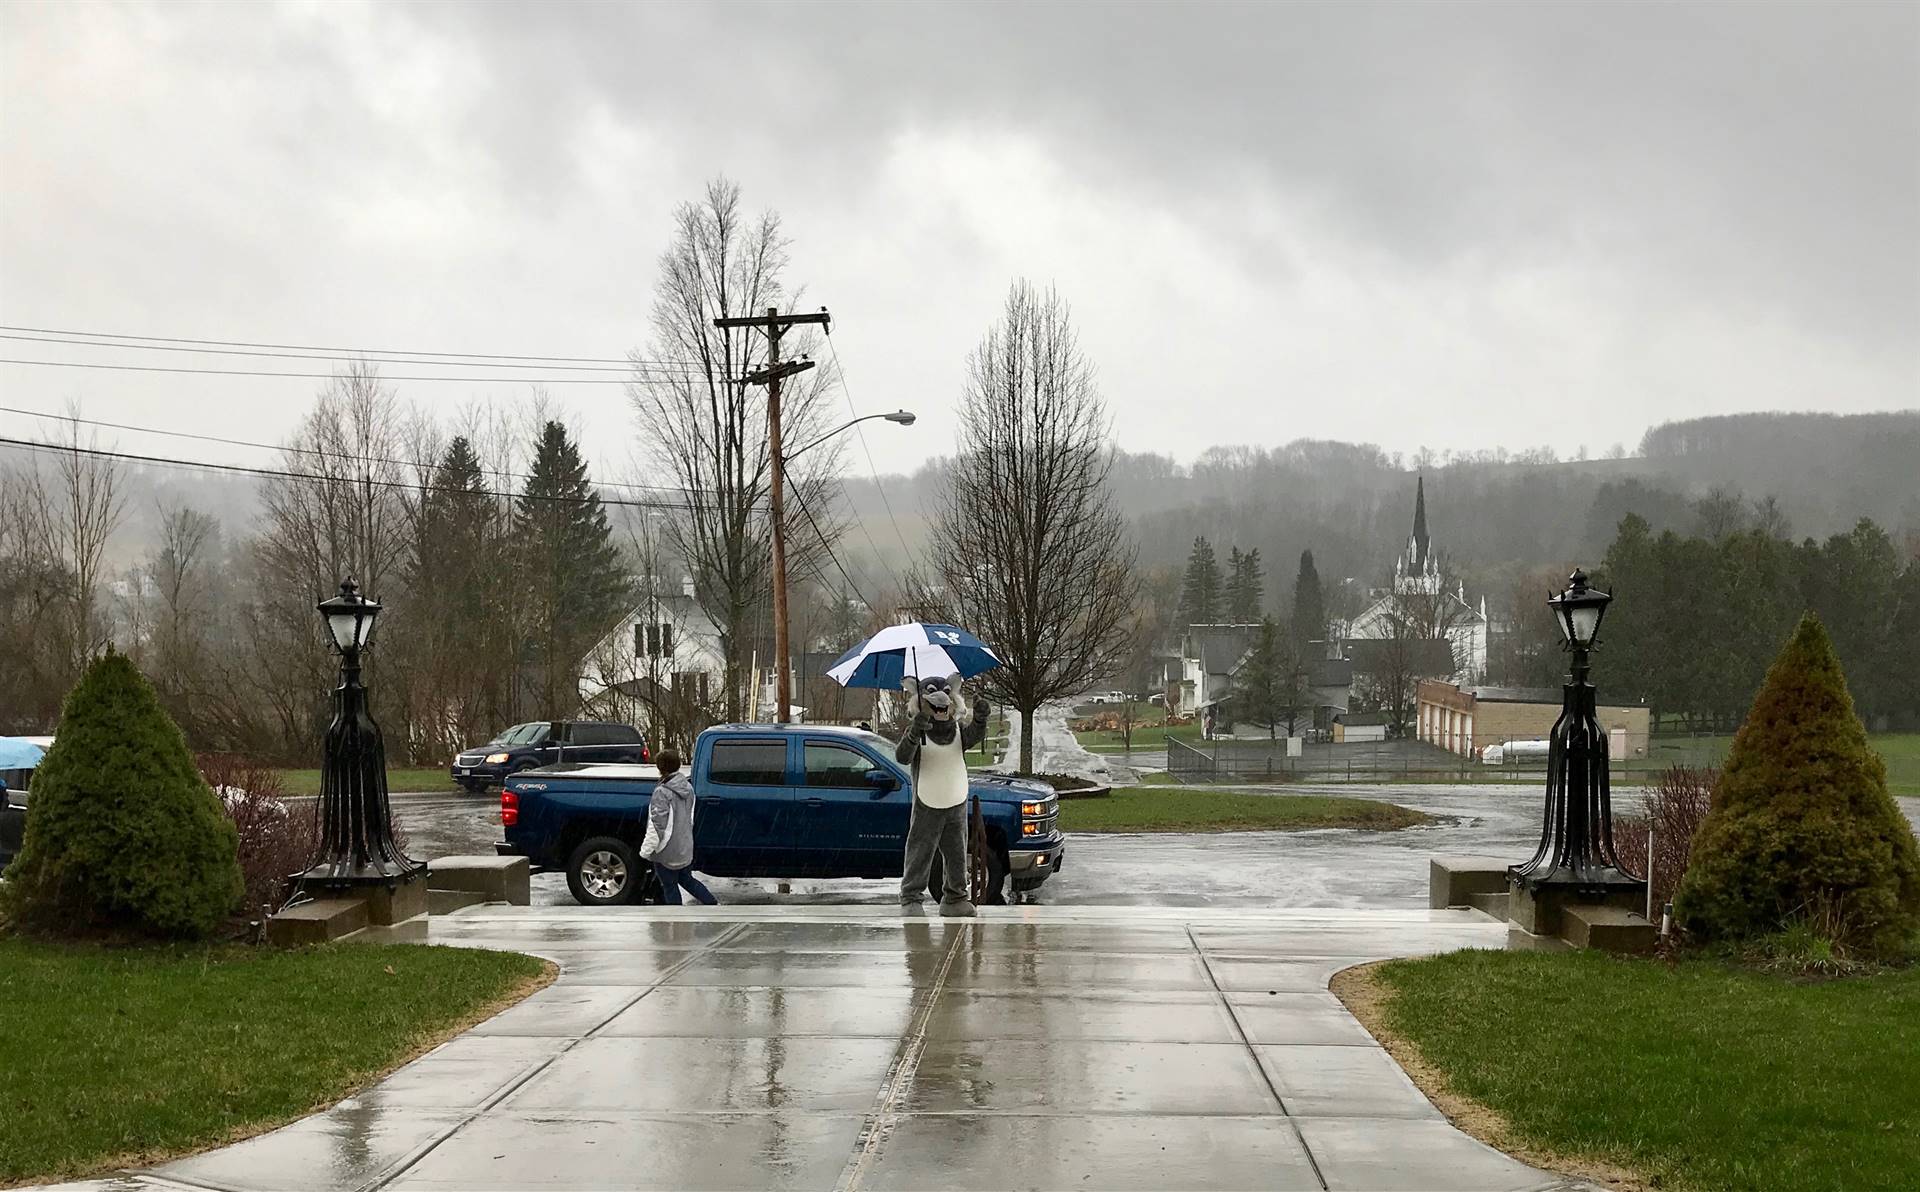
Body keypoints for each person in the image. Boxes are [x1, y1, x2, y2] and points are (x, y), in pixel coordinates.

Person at [646, 750, 716, 906]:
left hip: (666, 848)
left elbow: (658, 823)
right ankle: (712, 903)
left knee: (669, 886)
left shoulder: (662, 792)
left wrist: (646, 849)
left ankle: (676, 915)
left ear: (660, 768)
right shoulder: (688, 788)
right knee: (686, 879)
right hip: (684, 845)